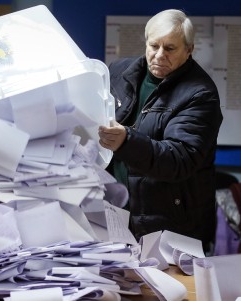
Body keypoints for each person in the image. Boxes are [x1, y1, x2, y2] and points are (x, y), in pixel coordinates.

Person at [98, 9, 223, 249]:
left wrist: (126, 141)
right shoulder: (118, 72)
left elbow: (180, 159)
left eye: (170, 48)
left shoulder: (200, 93)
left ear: (189, 49)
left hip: (170, 224)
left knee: (171, 287)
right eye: (154, 45)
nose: (159, 55)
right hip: (114, 212)